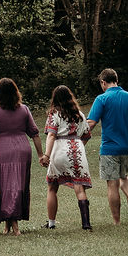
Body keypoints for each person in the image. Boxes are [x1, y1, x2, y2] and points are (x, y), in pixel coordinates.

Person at [0, 77, 43, 236]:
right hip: (22, 149)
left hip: (1, 151)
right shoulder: (24, 109)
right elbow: (35, 134)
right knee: (17, 185)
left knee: (4, 186)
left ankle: (13, 224)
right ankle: (9, 224)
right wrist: (40, 154)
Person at [86, 68, 128, 224]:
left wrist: (79, 140)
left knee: (112, 184)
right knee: (122, 176)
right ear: (116, 80)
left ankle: (116, 221)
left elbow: (91, 123)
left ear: (103, 82)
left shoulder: (102, 99)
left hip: (109, 148)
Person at [38, 85, 93, 231]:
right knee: (79, 187)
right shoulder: (80, 115)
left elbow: (51, 135)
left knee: (52, 187)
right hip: (77, 151)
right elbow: (87, 135)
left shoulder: (54, 114)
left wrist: (46, 155)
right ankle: (86, 223)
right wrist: (78, 146)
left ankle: (51, 223)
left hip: (59, 150)